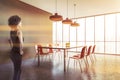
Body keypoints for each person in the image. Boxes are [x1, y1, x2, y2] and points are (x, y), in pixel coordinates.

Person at [8, 15, 23, 80]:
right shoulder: (19, 31)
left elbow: (11, 42)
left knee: (17, 70)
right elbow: (21, 43)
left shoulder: (11, 31)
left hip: (12, 53)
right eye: (20, 22)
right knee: (17, 71)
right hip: (17, 54)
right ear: (17, 23)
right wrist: (21, 51)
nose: (21, 23)